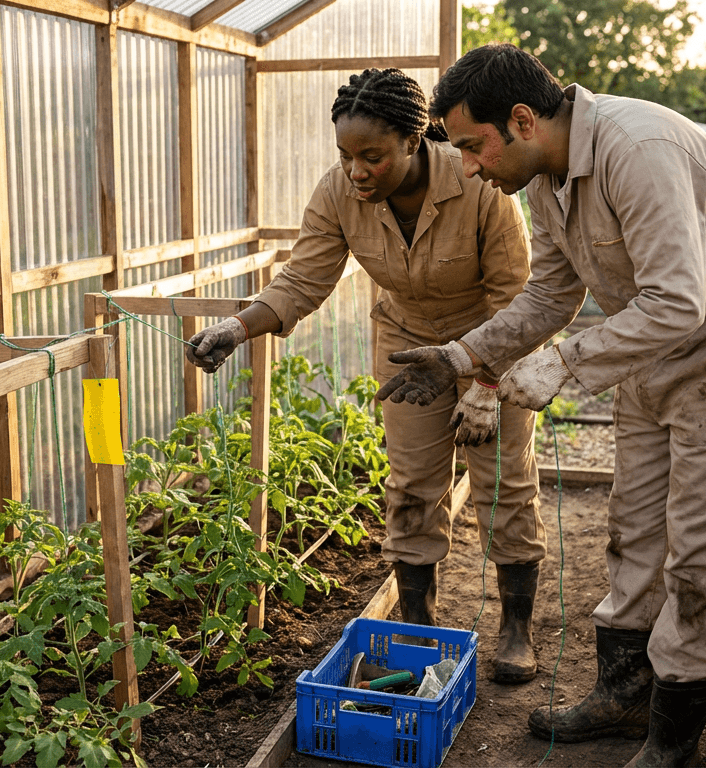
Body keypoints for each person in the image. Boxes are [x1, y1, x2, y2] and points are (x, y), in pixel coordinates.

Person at [375, 45, 706, 767]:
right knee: (633, 527)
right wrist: (460, 357)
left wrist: (564, 361)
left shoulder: (640, 149)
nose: (471, 167)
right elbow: (549, 295)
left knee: (702, 553)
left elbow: (679, 297)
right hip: (653, 349)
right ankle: (626, 693)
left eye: (474, 147)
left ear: (521, 120)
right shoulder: (546, 177)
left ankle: (672, 742)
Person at [185, 68, 547, 684]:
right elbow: (303, 279)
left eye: (372, 157)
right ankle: (418, 630)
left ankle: (516, 629)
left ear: (414, 142)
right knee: (411, 485)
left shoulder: (481, 187)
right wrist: (236, 327)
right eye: (346, 157)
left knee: (501, 479)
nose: (356, 171)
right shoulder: (338, 194)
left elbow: (517, 299)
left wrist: (485, 385)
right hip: (407, 344)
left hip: (491, 340)